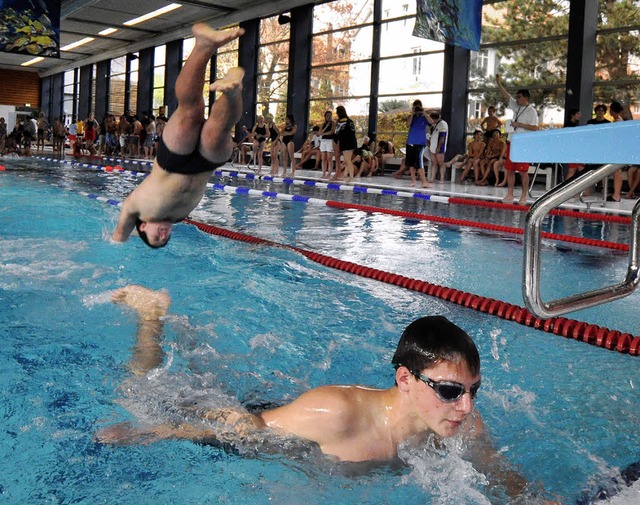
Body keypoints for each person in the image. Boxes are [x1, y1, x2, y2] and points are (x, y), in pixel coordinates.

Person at [96, 286, 555, 502]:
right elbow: (244, 427)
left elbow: (505, 479)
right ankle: (150, 318)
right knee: (142, 388)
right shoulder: (336, 413)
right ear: (405, 380)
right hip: (251, 424)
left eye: (474, 391)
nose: (467, 406)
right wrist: (154, 431)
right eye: (452, 391)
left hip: (285, 421)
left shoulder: (463, 425)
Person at [111, 24, 245, 247]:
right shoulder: (178, 216)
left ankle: (203, 46)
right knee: (218, 131)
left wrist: (117, 242)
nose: (164, 235)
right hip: (205, 164)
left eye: (156, 238)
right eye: (166, 239)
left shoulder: (135, 209)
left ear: (143, 226)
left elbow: (118, 238)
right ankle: (232, 91)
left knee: (190, 110)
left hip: (171, 160)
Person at [495, 74, 539, 205]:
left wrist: (519, 125)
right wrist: (499, 84)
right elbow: (506, 96)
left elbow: (535, 128)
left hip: (523, 144)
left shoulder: (532, 111)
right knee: (510, 169)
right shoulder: (516, 106)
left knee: (523, 171)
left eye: (519, 97)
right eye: (517, 97)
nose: (517, 99)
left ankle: (524, 196)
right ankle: (510, 194)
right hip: (511, 142)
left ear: (526, 98)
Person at [405, 99, 429, 188]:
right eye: (416, 108)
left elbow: (431, 122)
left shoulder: (424, 117)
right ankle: (413, 181)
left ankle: (424, 181)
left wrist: (424, 112)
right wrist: (412, 113)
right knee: (411, 163)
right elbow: (407, 125)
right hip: (410, 142)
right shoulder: (411, 117)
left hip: (420, 143)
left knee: (419, 162)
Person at [333, 105, 357, 182]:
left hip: (346, 142)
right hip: (350, 141)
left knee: (347, 160)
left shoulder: (341, 122)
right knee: (347, 160)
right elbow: (353, 132)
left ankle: (351, 177)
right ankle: (347, 175)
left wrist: (336, 140)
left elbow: (337, 133)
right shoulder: (349, 121)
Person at [426, 111, 448, 183]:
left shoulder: (443, 124)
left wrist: (438, 147)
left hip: (439, 147)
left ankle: (442, 178)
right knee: (434, 162)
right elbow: (430, 135)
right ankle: (433, 178)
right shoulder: (434, 125)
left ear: (434, 119)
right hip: (432, 146)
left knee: (441, 163)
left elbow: (442, 137)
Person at [319, 111, 335, 179]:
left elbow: (332, 131)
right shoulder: (323, 124)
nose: (329, 117)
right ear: (325, 117)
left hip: (330, 141)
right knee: (323, 158)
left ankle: (329, 173)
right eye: (327, 116)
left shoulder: (333, 123)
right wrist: (326, 127)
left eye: (330, 116)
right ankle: (324, 172)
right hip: (323, 141)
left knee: (329, 158)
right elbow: (320, 132)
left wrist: (324, 133)